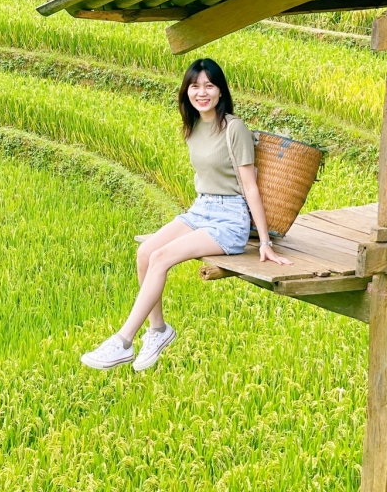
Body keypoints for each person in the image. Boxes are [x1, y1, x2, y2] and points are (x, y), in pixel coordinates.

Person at [81, 56, 291, 372]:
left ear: (221, 91)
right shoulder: (193, 127)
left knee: (162, 256)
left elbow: (250, 187)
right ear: (187, 92)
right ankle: (158, 330)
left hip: (229, 218)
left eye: (209, 85)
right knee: (145, 253)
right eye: (195, 86)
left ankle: (123, 341)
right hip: (201, 207)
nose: (201, 92)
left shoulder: (234, 128)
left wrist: (264, 242)